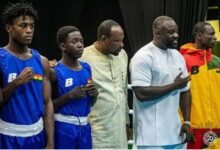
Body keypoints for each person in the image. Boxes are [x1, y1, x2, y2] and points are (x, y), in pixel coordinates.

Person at [129, 16, 193, 149]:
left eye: (176, 31)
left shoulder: (178, 56)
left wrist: (187, 121)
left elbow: (185, 90)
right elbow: (141, 94)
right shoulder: (143, 57)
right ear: (157, 33)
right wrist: (174, 85)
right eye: (170, 32)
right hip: (151, 136)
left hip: (176, 133)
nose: (176, 35)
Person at [0, 2, 54, 148]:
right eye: (23, 25)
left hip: (37, 136)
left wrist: (50, 142)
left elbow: (47, 103)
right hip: (8, 137)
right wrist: (17, 82)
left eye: (32, 26)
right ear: (9, 28)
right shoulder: (1, 59)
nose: (29, 30)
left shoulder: (41, 61)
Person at [80, 19, 129, 149]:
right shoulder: (82, 57)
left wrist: (127, 122)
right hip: (97, 129)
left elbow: (124, 89)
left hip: (119, 128)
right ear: (103, 39)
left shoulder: (122, 55)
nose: (122, 45)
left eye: (122, 40)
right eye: (117, 41)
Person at [50, 26, 98, 149]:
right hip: (63, 127)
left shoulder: (87, 67)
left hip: (84, 127)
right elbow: (47, 106)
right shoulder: (55, 71)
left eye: (81, 41)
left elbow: (90, 103)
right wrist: (69, 96)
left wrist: (95, 95)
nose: (80, 45)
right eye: (74, 41)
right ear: (63, 46)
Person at [180, 22, 220, 149]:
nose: (215, 37)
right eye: (211, 34)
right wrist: (183, 122)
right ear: (199, 35)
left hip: (218, 128)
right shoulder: (182, 60)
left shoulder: (217, 62)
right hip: (193, 128)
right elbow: (177, 94)